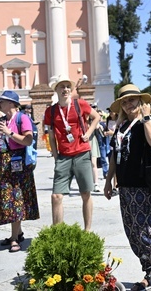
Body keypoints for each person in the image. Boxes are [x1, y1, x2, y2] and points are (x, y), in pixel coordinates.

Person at [104, 84, 151, 291]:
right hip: (125, 186)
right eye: (124, 102)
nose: (128, 104)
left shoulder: (147, 121)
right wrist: (108, 180)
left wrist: (146, 117)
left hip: (142, 185)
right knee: (132, 233)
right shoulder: (120, 126)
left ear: (140, 101)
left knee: (146, 232)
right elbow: (113, 156)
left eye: (132, 100)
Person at [44, 76, 101, 230]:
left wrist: (88, 133)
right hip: (63, 156)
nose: (65, 89)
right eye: (62, 87)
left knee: (85, 194)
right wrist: (55, 155)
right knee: (56, 196)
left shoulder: (79, 104)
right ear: (56, 90)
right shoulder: (51, 111)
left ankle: (87, 230)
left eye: (68, 86)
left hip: (82, 153)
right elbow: (50, 135)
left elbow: (97, 117)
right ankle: (58, 232)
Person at [0, 90, 39, 252]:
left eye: (2, 101)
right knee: (6, 201)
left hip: (18, 164)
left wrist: (10, 133)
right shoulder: (1, 120)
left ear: (11, 103)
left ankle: (14, 238)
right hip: (2, 163)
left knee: (16, 200)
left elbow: (28, 140)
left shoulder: (22, 118)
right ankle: (18, 233)